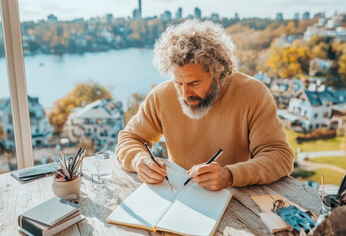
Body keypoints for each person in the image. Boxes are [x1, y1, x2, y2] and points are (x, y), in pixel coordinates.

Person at [116, 19, 293, 191]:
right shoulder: (161, 95)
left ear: (218, 73)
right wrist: (139, 159)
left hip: (237, 198)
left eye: (194, 83)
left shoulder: (253, 93)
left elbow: (279, 156)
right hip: (180, 195)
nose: (184, 94)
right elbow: (129, 138)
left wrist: (230, 175)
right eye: (178, 83)